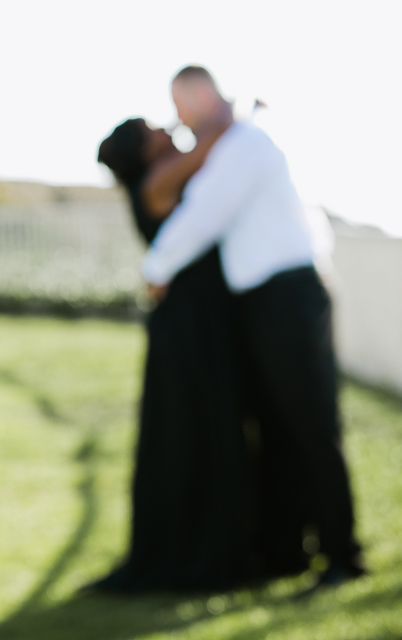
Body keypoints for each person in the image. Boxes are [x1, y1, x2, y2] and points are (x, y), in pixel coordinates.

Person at [142, 66, 364, 586]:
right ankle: (290, 552)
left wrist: (155, 269)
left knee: (310, 425)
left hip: (287, 298)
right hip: (268, 302)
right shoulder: (236, 144)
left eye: (181, 104)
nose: (178, 119)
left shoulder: (245, 145)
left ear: (202, 94)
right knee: (279, 429)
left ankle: (343, 556)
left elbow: (204, 214)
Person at [94, 115, 260, 591]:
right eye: (155, 128)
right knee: (197, 432)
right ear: (145, 151)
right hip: (188, 331)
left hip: (198, 322)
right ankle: (203, 551)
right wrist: (233, 110)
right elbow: (210, 143)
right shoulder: (159, 178)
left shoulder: (156, 176)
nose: (168, 128)